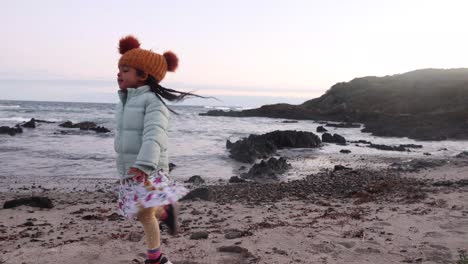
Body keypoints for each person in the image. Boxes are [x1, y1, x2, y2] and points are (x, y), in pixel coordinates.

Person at [115, 35, 199, 264]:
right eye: (119, 69)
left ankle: (156, 258)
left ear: (143, 75)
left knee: (142, 213)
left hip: (147, 167)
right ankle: (165, 212)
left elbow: (155, 135)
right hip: (133, 167)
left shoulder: (152, 102)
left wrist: (144, 163)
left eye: (125, 69)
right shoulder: (125, 101)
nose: (119, 74)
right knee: (138, 211)